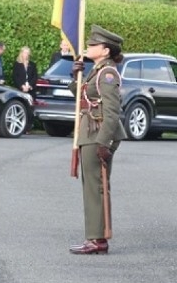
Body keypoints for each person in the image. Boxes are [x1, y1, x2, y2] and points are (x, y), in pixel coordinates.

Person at [68, 25, 127, 255]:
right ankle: (95, 237)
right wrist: (76, 77)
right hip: (91, 131)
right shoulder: (96, 70)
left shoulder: (107, 73)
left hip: (98, 132)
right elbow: (82, 98)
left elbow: (112, 111)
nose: (88, 47)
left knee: (96, 187)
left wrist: (104, 143)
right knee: (92, 186)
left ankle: (97, 240)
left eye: (93, 44)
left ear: (104, 50)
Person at [12, 46, 39, 133]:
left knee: (30, 108)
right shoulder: (17, 64)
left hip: (31, 90)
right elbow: (15, 77)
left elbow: (35, 77)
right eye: (25, 53)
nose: (26, 55)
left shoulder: (32, 64)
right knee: (20, 108)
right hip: (21, 89)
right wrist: (22, 86)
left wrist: (30, 86)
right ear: (21, 53)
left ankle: (28, 127)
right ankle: (19, 127)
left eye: (28, 53)